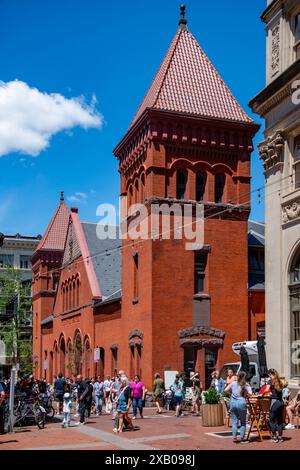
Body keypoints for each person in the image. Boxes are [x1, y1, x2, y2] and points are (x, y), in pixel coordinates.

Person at [225, 371, 252, 444]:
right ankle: (242, 438)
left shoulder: (233, 383)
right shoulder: (246, 384)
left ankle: (234, 437)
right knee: (243, 422)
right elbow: (250, 394)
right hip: (241, 402)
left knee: (234, 421)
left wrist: (232, 393)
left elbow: (225, 390)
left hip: (233, 402)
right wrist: (245, 395)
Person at [265, 368, 284, 443]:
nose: (269, 377)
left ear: (270, 374)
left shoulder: (270, 381)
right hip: (281, 402)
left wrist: (263, 394)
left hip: (274, 402)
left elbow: (266, 390)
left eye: (269, 375)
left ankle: (274, 437)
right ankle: (280, 437)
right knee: (279, 421)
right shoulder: (280, 381)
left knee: (271, 420)